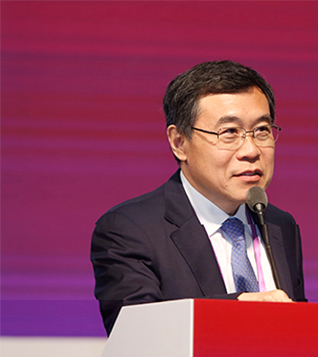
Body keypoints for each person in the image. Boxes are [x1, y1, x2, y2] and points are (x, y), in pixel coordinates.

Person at [91, 61, 306, 335]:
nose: (251, 150)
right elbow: (136, 335)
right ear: (179, 143)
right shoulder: (131, 230)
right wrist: (241, 309)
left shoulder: (279, 224)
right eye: (230, 132)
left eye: (262, 130)